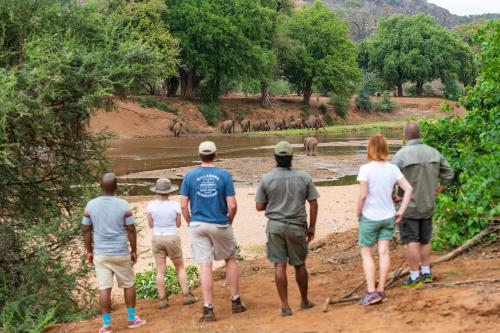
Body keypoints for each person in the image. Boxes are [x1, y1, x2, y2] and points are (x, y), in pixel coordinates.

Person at [179, 141, 246, 322]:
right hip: (220, 223)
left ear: (199, 155)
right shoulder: (224, 175)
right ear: (215, 155)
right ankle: (236, 301)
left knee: (205, 265)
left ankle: (208, 309)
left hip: (198, 224)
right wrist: (228, 221)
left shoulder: (189, 176)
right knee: (230, 259)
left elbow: (183, 205)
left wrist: (190, 222)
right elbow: (232, 204)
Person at [255, 141, 319, 316]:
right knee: (300, 264)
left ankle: (285, 306)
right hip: (297, 226)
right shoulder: (304, 177)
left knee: (279, 265)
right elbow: (313, 204)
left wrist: (273, 201)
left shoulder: (267, 178)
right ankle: (304, 301)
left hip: (275, 227)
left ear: (275, 158)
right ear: (291, 158)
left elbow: (259, 206)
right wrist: (312, 227)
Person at [82, 173, 146, 333]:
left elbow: (86, 230)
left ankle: (106, 325)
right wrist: (134, 250)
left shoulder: (90, 205)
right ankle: (132, 319)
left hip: (101, 254)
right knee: (128, 284)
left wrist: (89, 251)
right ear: (116, 187)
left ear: (100, 186)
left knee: (105, 288)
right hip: (120, 252)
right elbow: (130, 229)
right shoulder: (124, 205)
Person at [393, 123, 454, 288]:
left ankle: (414, 276)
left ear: (405, 136)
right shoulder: (433, 152)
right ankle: (426, 273)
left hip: (409, 207)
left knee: (411, 240)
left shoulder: (401, 155)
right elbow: (449, 173)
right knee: (425, 240)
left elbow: (390, 178)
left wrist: (394, 197)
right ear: (420, 134)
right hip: (428, 204)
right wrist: (439, 189)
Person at [356, 135, 413, 305]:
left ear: (370, 148)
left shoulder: (365, 169)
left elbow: (363, 195)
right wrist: (401, 211)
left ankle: (371, 291)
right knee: (384, 252)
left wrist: (358, 213)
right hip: (388, 216)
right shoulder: (392, 169)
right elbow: (409, 189)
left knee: (366, 253)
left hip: (370, 217)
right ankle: (381, 290)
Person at [146, 178, 197, 309]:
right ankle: (186, 295)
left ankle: (162, 299)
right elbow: (178, 224)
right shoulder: (175, 205)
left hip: (157, 237)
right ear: (169, 191)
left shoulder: (151, 206)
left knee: (160, 270)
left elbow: (150, 225)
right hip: (171, 236)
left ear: (157, 191)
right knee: (179, 267)